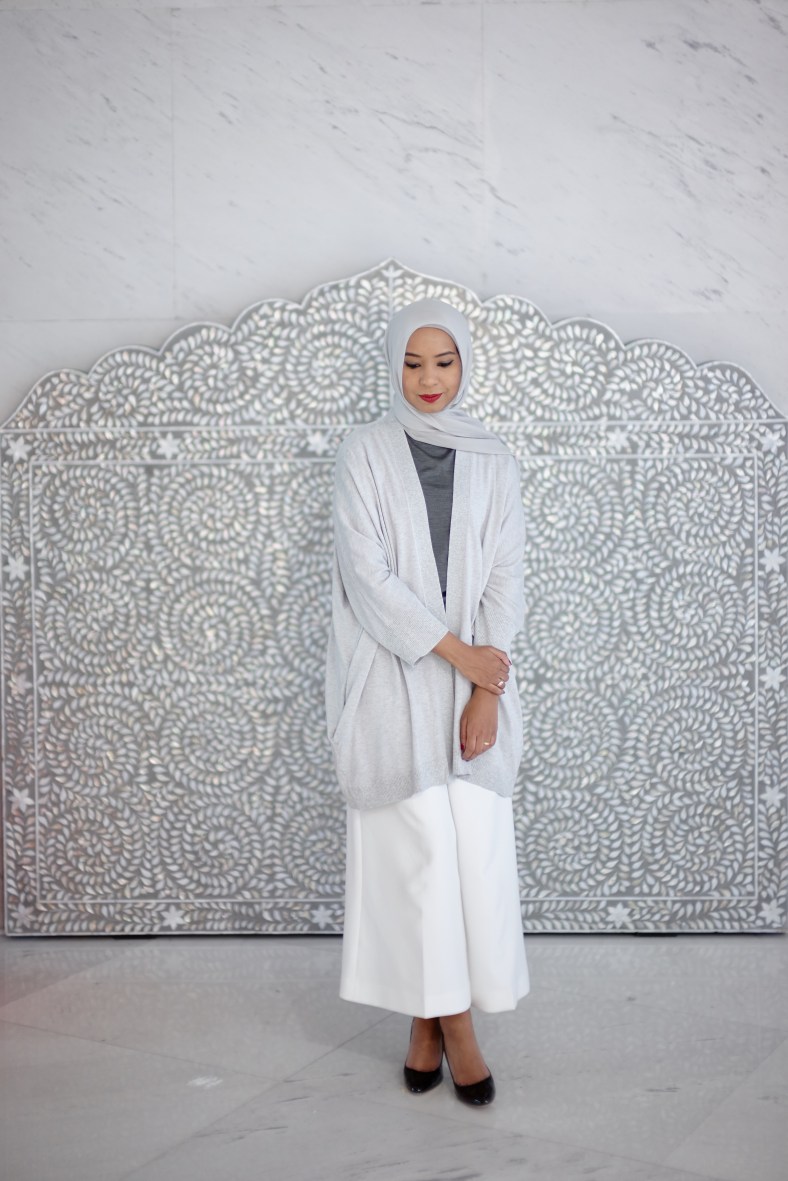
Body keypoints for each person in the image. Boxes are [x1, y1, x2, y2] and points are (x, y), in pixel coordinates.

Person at [324, 298, 530, 1107]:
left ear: (465, 364)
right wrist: (459, 653)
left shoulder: (493, 458)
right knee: (421, 861)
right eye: (413, 363)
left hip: (475, 691)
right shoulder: (365, 451)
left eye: (444, 362)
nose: (429, 378)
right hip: (392, 682)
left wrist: (485, 687)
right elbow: (367, 578)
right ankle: (458, 1030)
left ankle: (424, 1021)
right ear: (393, 366)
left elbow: (506, 577)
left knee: (469, 856)